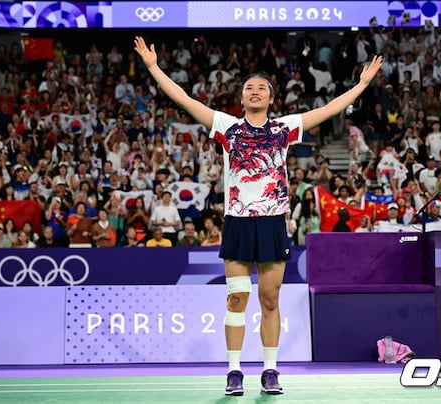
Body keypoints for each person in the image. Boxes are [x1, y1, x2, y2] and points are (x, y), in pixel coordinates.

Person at [135, 36, 382, 396]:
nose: (255, 91)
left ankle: (270, 370)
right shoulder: (226, 126)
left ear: (271, 98)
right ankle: (234, 371)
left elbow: (329, 109)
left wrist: (360, 85)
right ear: (241, 99)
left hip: (271, 222)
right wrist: (154, 68)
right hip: (237, 221)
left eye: (261, 88)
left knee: (269, 299)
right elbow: (185, 100)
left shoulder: (284, 128)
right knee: (237, 298)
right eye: (249, 88)